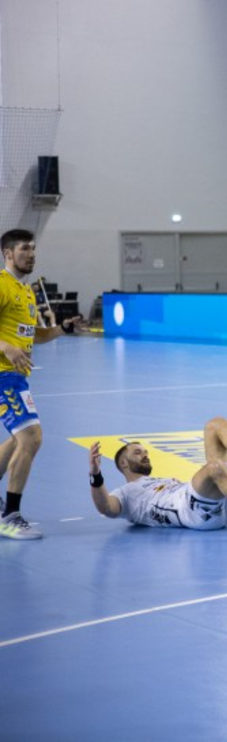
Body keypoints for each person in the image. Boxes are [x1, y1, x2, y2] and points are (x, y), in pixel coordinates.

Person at [0, 229, 85, 540]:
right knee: (32, 438)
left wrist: (62, 328)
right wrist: (6, 347)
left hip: (15, 377)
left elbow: (33, 334)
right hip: (2, 375)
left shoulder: (26, 292)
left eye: (33, 249)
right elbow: (10, 343)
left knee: (17, 440)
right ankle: (10, 516)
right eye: (25, 248)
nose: (32, 254)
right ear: (8, 253)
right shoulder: (2, 285)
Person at [88, 417, 227, 530]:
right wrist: (95, 474)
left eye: (145, 452)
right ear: (123, 463)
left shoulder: (160, 480)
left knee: (214, 425)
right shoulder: (125, 493)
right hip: (193, 514)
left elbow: (223, 475)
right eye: (137, 453)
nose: (145, 455)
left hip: (220, 506)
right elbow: (106, 507)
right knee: (213, 467)